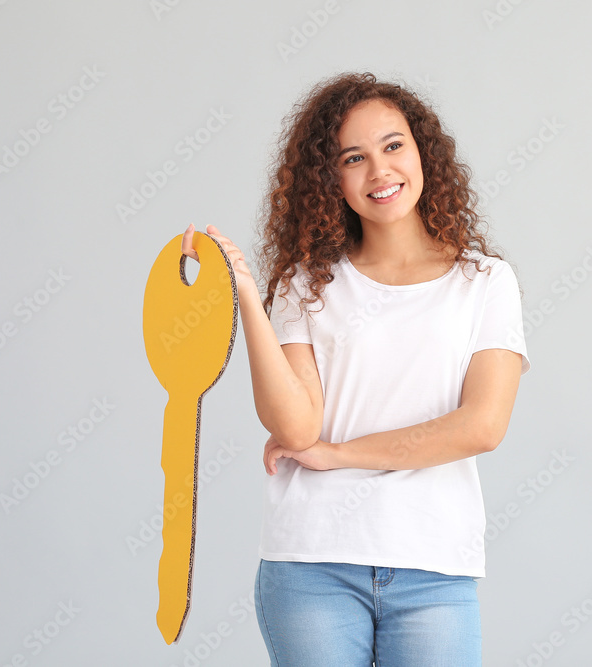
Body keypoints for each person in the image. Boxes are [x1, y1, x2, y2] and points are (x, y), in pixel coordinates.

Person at [181, 71, 530, 666]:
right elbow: (294, 429)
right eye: (353, 157)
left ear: (423, 151)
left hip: (433, 566)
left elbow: (482, 427)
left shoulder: (485, 283)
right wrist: (245, 290)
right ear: (329, 178)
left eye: (393, 146)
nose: (380, 171)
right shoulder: (303, 285)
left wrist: (339, 454)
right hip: (313, 563)